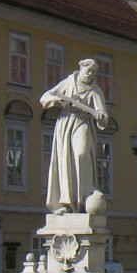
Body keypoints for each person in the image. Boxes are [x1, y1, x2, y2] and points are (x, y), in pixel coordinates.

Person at [41, 58, 110, 212]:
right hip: (65, 123)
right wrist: (57, 100)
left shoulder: (95, 90)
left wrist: (100, 116)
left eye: (93, 72)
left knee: (81, 154)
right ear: (81, 68)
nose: (90, 74)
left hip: (82, 121)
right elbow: (44, 98)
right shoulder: (68, 83)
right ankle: (66, 202)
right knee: (65, 160)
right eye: (88, 71)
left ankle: (85, 198)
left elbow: (104, 117)